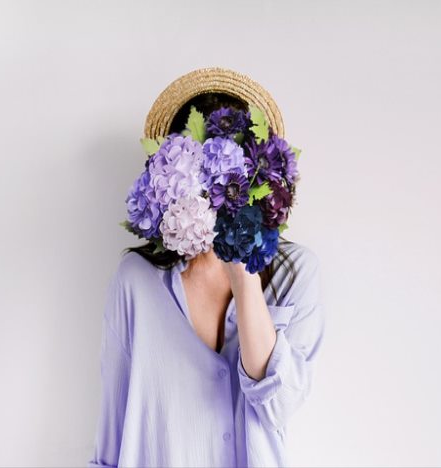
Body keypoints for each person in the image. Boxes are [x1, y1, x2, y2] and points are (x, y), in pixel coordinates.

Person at [88, 90, 326, 467]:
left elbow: (278, 406)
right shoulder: (136, 281)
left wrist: (242, 268)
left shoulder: (295, 273)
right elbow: (112, 431)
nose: (216, 193)